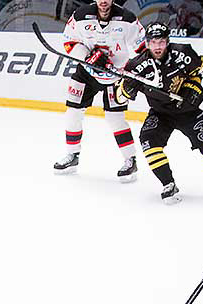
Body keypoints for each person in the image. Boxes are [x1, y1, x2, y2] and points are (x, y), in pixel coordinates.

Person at [114, 21, 203, 204]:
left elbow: (197, 72)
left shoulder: (183, 53)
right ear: (147, 43)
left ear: (167, 41)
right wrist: (127, 89)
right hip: (160, 113)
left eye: (161, 41)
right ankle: (168, 184)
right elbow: (120, 98)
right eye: (153, 42)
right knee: (148, 141)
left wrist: (193, 89)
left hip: (186, 111)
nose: (157, 46)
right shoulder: (135, 66)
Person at [53, 0, 145, 182]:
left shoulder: (127, 19)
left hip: (116, 75)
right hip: (86, 72)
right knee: (72, 113)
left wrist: (133, 71)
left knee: (115, 118)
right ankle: (72, 155)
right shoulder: (80, 16)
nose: (103, 1)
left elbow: (142, 49)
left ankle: (130, 159)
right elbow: (69, 40)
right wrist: (87, 57)